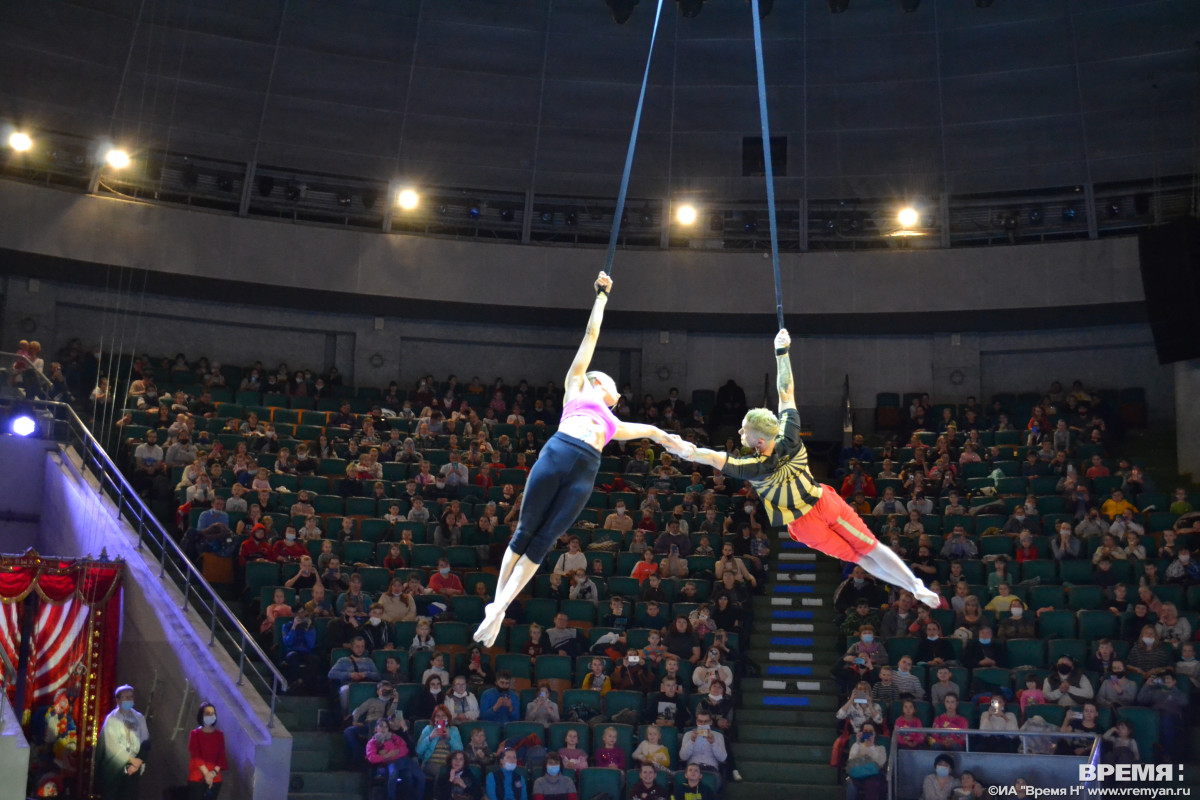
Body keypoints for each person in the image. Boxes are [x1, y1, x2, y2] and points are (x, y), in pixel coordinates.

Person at [663, 329, 939, 609]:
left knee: (861, 557)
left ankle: (914, 586)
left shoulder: (753, 468)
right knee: (870, 548)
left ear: (759, 441)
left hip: (806, 523)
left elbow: (710, 457)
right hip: (822, 502)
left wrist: (686, 450)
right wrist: (781, 352)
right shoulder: (790, 436)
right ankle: (914, 585)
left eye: (743, 431)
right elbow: (786, 391)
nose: (739, 433)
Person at [475, 272, 681, 646]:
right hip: (560, 451)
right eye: (615, 388)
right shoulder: (577, 386)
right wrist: (601, 297)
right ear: (600, 384)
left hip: (584, 472)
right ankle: (497, 604)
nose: (619, 394)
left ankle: (501, 606)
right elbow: (591, 337)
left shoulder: (614, 424)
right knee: (524, 533)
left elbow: (652, 431)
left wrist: (679, 444)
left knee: (543, 543)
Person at [98, 685, 150, 800]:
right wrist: (131, 759)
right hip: (114, 768)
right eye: (125, 697)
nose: (129, 700)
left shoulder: (139, 718)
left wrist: (138, 762)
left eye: (131, 697)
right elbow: (112, 746)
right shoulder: (111, 719)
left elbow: (145, 741)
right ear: (118, 700)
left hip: (133, 769)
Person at [187, 702, 227, 799]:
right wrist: (207, 775)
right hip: (197, 778)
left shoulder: (219, 735)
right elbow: (196, 756)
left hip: (215, 779)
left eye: (212, 713)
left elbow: (221, 757)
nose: (210, 716)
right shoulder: (195, 734)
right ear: (201, 715)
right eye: (207, 713)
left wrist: (212, 774)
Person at [367, 717, 412, 800]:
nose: (383, 729)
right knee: (393, 774)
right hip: (381, 767)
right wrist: (386, 756)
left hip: (397, 764)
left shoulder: (394, 738)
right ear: (376, 728)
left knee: (408, 775)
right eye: (381, 726)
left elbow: (405, 749)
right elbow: (371, 758)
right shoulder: (372, 742)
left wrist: (393, 754)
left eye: (386, 727)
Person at [417, 707, 464, 781]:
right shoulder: (428, 729)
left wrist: (449, 738)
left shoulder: (454, 730)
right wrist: (430, 737)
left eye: (443, 716)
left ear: (448, 718)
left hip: (448, 764)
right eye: (438, 716)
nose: (441, 718)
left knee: (451, 771)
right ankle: (440, 792)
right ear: (434, 718)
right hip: (431, 763)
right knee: (441, 772)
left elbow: (460, 749)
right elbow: (418, 750)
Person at [845, 722, 886, 800]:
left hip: (873, 774)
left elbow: (881, 762)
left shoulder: (880, 748)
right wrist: (857, 742)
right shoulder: (857, 746)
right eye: (865, 731)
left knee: (872, 783)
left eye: (870, 731)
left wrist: (871, 747)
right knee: (850, 782)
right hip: (858, 774)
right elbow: (851, 760)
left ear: (875, 733)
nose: (868, 733)